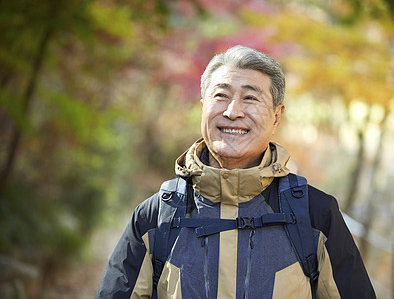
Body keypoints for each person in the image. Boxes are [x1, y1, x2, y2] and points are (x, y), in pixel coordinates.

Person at [96, 45, 376, 299]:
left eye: (250, 98)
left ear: (276, 116)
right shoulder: (156, 217)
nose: (233, 111)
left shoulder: (315, 216)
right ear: (204, 108)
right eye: (221, 95)